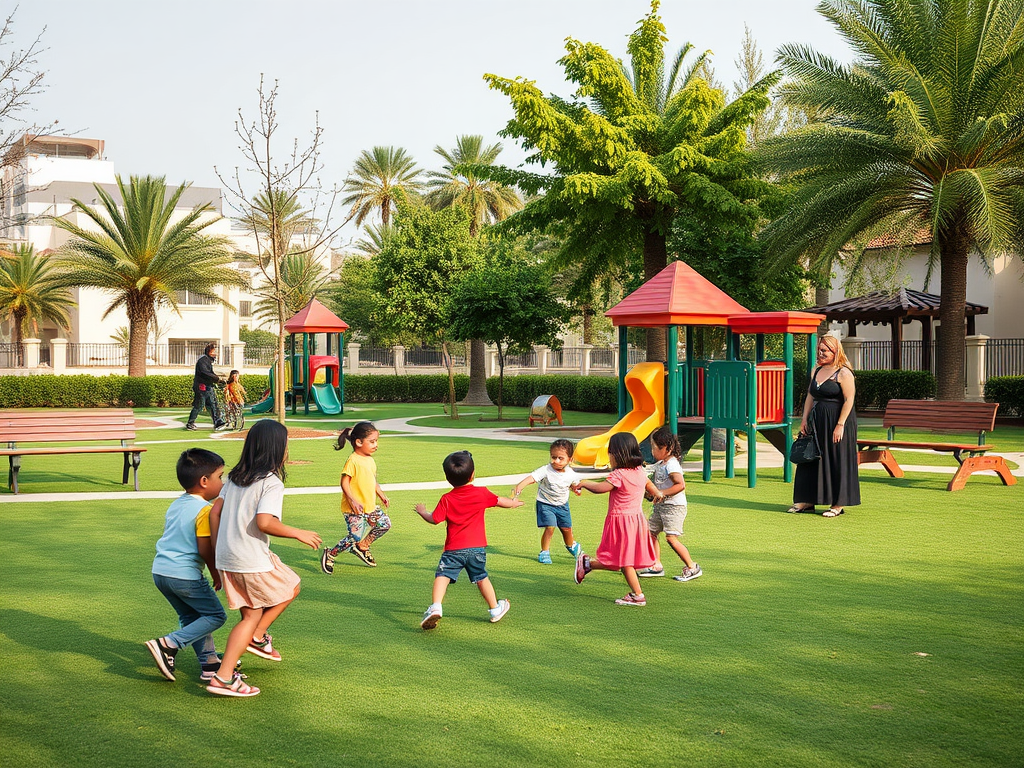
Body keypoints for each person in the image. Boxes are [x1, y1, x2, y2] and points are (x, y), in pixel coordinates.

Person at [206, 419, 322, 697]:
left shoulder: (234, 478)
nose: (287, 450)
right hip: (248, 557)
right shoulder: (270, 482)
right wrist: (298, 533)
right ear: (275, 449)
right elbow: (265, 522)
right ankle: (235, 663)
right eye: (286, 445)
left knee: (251, 612)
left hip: (227, 556)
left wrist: (216, 556)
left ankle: (239, 656)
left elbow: (214, 513)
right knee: (291, 586)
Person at [145, 448, 229, 683]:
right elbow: (205, 548)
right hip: (184, 576)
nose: (222, 483)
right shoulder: (205, 510)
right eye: (220, 477)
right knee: (215, 615)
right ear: (204, 481)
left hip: (160, 572)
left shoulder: (177, 504)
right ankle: (168, 644)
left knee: (193, 617)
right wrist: (216, 573)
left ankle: (209, 663)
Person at [414, 450, 524, 630]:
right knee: (481, 577)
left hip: (453, 550)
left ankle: (436, 606)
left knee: (442, 576)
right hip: (476, 549)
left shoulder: (447, 499)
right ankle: (495, 609)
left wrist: (422, 512)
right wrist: (513, 503)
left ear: (448, 478)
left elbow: (434, 519)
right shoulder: (481, 493)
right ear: (472, 475)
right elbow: (498, 501)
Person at [573, 432, 661, 606]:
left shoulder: (619, 475)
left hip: (621, 522)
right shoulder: (639, 471)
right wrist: (655, 492)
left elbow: (601, 488)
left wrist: (584, 483)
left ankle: (638, 595)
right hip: (636, 522)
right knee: (622, 558)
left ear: (616, 454)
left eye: (610, 453)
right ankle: (587, 564)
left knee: (625, 561)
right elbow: (647, 483)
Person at [789, 334, 861, 518]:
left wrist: (840, 425)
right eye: (819, 350)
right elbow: (810, 396)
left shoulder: (844, 372)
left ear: (835, 352)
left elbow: (849, 399)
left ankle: (837, 504)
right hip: (816, 421)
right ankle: (806, 501)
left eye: (824, 351)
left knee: (836, 459)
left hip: (838, 421)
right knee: (811, 457)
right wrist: (804, 420)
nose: (820, 354)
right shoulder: (816, 370)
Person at [320, 421, 391, 574]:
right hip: (354, 510)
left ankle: (363, 546)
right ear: (358, 442)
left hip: (370, 507)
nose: (375, 445)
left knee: (384, 524)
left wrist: (381, 494)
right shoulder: (353, 460)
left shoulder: (370, 460)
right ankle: (331, 554)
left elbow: (372, 480)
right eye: (372, 441)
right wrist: (353, 500)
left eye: (376, 441)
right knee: (354, 536)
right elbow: (344, 482)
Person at [638, 426, 701, 582]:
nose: (652, 451)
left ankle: (692, 567)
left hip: (674, 508)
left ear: (665, 448)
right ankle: (656, 565)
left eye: (654, 447)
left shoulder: (671, 464)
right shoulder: (661, 464)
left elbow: (680, 485)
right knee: (650, 532)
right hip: (661, 507)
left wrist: (661, 494)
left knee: (671, 538)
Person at [512, 438, 582, 564]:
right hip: (545, 504)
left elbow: (573, 485)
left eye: (561, 458)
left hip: (562, 505)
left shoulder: (571, 474)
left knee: (566, 529)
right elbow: (532, 478)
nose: (556, 461)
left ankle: (571, 545)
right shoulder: (546, 470)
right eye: (553, 457)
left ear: (570, 460)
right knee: (550, 527)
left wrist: (576, 490)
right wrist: (520, 485)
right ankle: (544, 552)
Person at [186, 343, 224, 431]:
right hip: (202, 387)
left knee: (212, 405)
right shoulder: (203, 361)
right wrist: (217, 379)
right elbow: (205, 373)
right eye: (214, 351)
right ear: (209, 352)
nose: (216, 354)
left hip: (207, 386)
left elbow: (210, 373)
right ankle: (190, 423)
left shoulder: (207, 361)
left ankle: (217, 422)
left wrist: (219, 380)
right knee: (199, 405)